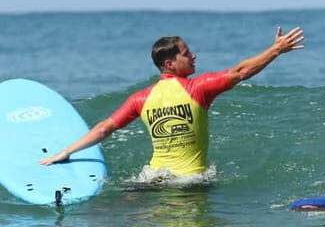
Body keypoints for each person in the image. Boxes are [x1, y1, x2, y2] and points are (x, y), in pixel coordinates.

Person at [40, 27, 305, 177]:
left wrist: (66, 152)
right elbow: (240, 72)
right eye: (187, 54)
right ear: (170, 63)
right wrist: (276, 50)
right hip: (190, 184)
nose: (194, 57)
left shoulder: (140, 99)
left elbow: (104, 128)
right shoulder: (197, 89)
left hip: (150, 179)